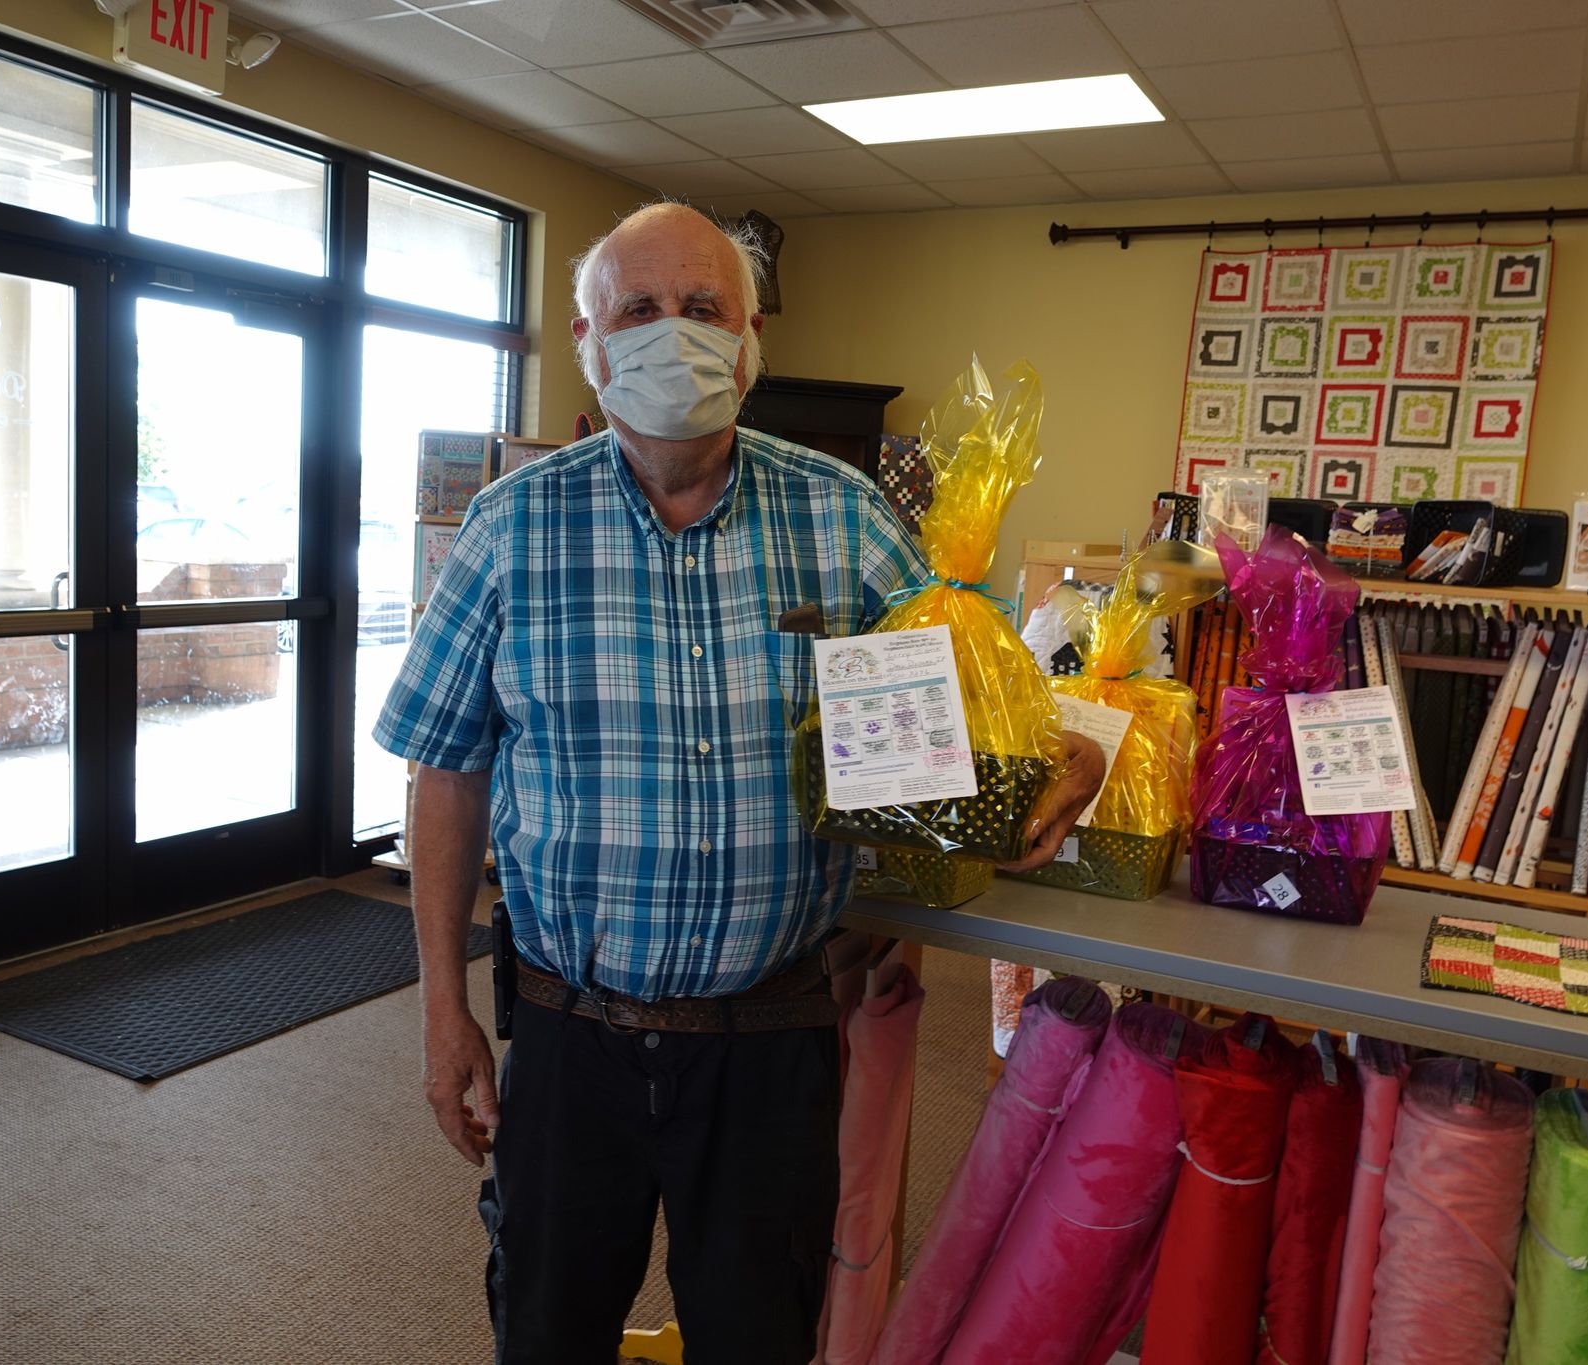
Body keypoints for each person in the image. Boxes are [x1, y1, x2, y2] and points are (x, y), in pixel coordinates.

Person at [375, 202, 1103, 1365]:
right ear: (588, 342)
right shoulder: (511, 526)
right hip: (566, 1035)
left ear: (749, 341)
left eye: (703, 308)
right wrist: (437, 1009)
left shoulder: (843, 517)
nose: (674, 333)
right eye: (639, 309)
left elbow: (962, 706)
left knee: (758, 1337)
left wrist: (1066, 747)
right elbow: (445, 765)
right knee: (547, 1332)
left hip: (769, 1039)